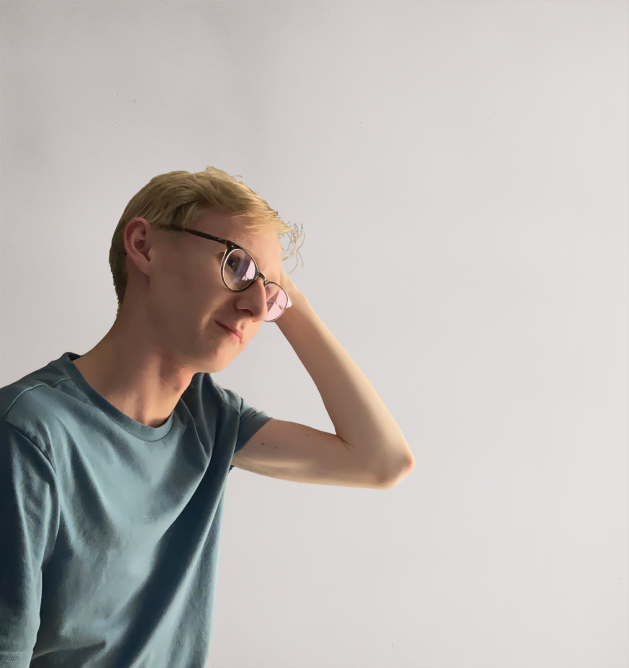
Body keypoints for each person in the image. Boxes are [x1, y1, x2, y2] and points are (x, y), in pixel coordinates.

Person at [0, 167, 414, 667]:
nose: (257, 305)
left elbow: (381, 460)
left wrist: (289, 297)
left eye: (271, 294)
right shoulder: (28, 434)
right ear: (144, 245)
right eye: (236, 265)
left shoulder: (210, 419)